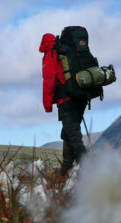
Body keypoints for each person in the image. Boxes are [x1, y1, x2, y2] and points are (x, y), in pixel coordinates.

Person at [39, 33, 87, 176]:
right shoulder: (67, 50)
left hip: (67, 100)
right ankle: (66, 168)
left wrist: (47, 105)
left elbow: (49, 81)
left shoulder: (51, 53)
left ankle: (88, 171)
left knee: (73, 135)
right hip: (81, 97)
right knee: (68, 132)